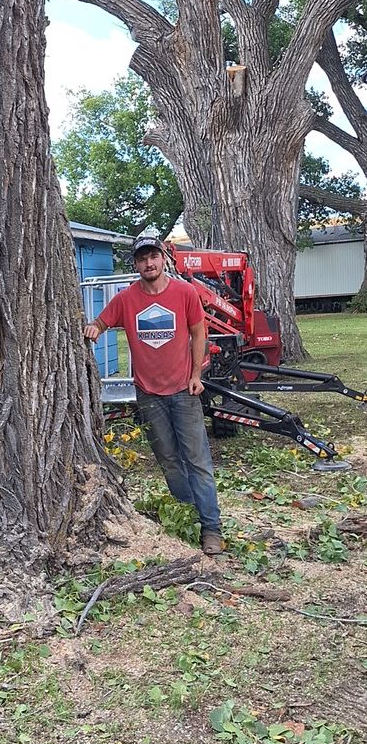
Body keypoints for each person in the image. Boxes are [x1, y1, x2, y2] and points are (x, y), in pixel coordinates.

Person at [84, 232, 223, 555]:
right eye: (142, 258)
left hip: (184, 390)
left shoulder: (184, 292)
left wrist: (196, 375)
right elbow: (101, 323)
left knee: (198, 461)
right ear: (136, 264)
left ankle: (211, 528)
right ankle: (186, 517)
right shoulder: (126, 298)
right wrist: (93, 328)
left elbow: (198, 332)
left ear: (163, 259)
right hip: (148, 393)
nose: (148, 263)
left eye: (153, 256)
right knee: (169, 460)